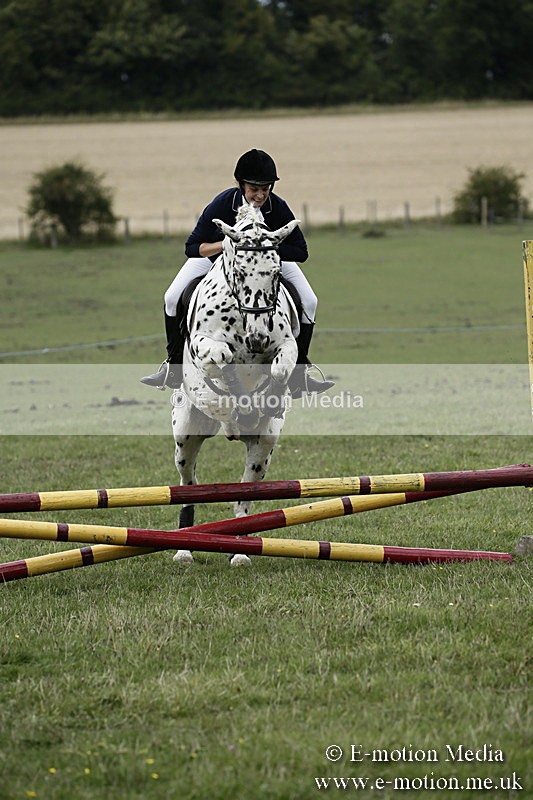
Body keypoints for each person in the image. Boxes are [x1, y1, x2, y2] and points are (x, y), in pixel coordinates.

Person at [141, 148, 333, 398]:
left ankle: (298, 374)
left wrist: (262, 247)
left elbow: (301, 251)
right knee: (171, 297)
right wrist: (227, 245)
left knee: (310, 300)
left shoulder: (277, 207)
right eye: (254, 188)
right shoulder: (224, 203)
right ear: (241, 185)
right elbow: (192, 246)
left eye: (266, 188)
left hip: (265, 260)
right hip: (217, 257)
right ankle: (173, 366)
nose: (260, 194)